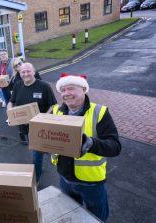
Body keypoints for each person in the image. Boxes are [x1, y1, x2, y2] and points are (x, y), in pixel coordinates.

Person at [52, 73, 122, 222]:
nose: (66, 94)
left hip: (91, 183)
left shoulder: (100, 112)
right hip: (65, 178)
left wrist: (92, 143)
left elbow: (115, 147)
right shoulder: (57, 111)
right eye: (63, 90)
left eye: (71, 89)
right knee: (70, 215)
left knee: (96, 218)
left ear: (84, 89)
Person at [7, 62, 57, 183]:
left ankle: (36, 180)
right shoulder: (18, 85)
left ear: (34, 72)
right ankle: (44, 151)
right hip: (24, 127)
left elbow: (54, 105)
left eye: (28, 71)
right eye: (23, 72)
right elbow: (11, 102)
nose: (25, 74)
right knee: (36, 150)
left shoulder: (44, 86)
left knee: (36, 155)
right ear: (20, 73)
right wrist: (10, 114)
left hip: (40, 128)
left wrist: (42, 118)